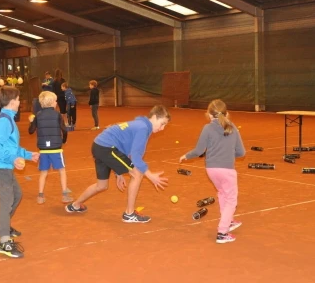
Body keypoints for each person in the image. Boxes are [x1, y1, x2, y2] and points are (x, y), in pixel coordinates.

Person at [65, 105, 170, 223]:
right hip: (107, 148)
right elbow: (135, 157)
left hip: (99, 145)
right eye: (162, 124)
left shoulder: (139, 124)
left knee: (101, 186)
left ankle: (75, 205)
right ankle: (129, 214)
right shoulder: (143, 128)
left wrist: (118, 173)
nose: (162, 128)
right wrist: (150, 175)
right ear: (154, 117)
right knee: (137, 174)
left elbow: (124, 148)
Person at [180, 100, 245, 244]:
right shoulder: (232, 127)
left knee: (222, 193)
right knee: (231, 199)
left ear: (209, 115)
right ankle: (222, 232)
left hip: (211, 169)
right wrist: (228, 154)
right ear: (227, 114)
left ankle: (228, 221)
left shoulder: (207, 128)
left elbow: (199, 150)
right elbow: (241, 152)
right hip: (227, 169)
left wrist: (187, 155)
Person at [0, 86, 39, 258]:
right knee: (7, 201)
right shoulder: (5, 121)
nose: (19, 102)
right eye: (18, 100)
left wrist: (28, 155)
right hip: (1, 167)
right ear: (12, 102)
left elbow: (12, 147)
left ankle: (2, 226)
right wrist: (13, 159)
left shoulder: (8, 118)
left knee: (17, 194)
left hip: (6, 166)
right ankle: (3, 242)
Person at [28, 91, 73, 205]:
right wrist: (63, 141)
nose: (56, 102)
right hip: (56, 148)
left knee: (43, 172)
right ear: (52, 102)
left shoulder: (38, 115)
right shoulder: (57, 115)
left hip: (43, 149)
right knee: (62, 171)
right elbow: (64, 130)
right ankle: (64, 195)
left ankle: (40, 196)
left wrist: (32, 122)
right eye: (55, 101)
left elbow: (31, 131)